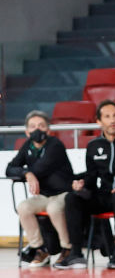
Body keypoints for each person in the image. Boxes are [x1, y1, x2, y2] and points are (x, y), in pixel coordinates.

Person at [56, 101, 115, 270]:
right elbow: (92, 179)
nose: (112, 120)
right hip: (105, 195)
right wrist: (82, 183)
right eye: (107, 117)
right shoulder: (93, 146)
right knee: (72, 198)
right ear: (99, 122)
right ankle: (76, 254)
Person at [7, 110, 74, 267]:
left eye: (41, 126)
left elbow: (40, 168)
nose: (37, 129)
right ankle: (40, 249)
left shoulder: (55, 144)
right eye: (33, 126)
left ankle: (67, 248)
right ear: (27, 131)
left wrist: (29, 172)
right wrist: (26, 173)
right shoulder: (27, 145)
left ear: (48, 129)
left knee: (53, 208)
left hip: (62, 193)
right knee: (23, 207)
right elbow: (9, 169)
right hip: (43, 195)